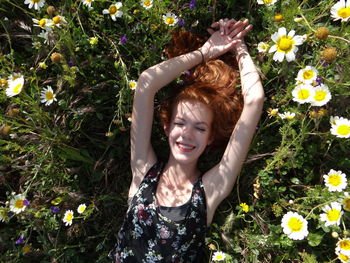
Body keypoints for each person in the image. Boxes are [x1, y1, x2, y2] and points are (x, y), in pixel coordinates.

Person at [109, 18, 264, 262]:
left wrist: (239, 46)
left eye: (200, 128)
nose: (187, 135)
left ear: (210, 137)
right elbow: (146, 83)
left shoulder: (210, 191)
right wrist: (204, 53)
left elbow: (254, 100)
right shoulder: (142, 171)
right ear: (167, 127)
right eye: (180, 123)